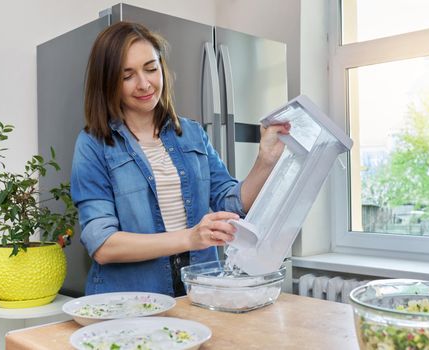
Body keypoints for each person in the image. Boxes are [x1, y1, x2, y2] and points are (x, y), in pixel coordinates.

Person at [70, 21, 290, 297]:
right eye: (127, 76)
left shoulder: (192, 133)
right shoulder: (93, 145)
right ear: (108, 82)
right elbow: (102, 245)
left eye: (151, 68)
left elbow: (231, 202)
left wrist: (265, 161)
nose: (144, 83)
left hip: (198, 290)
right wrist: (189, 237)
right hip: (131, 299)